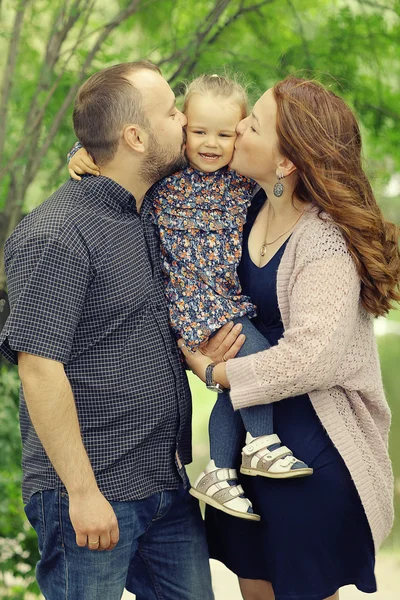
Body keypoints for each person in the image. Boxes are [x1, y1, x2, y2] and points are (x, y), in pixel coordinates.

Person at [0, 60, 244, 600]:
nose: (185, 121)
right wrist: (82, 494)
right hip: (93, 497)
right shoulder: (57, 233)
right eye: (173, 111)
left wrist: (205, 356)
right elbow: (39, 371)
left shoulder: (148, 214)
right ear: (135, 135)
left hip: (166, 486)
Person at [180, 76, 399, 600]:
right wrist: (86, 155)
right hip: (243, 452)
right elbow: (174, 140)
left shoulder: (322, 239)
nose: (235, 131)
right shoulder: (244, 205)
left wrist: (214, 372)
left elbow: (311, 358)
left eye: (251, 124)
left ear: (285, 163)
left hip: (309, 449)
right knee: (254, 590)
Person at [68, 73, 312, 524]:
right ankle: (258, 444)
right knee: (252, 363)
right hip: (190, 301)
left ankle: (220, 471)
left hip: (228, 299)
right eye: (199, 131)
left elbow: (283, 170)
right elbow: (119, 154)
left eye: (224, 133)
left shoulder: (242, 179)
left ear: (239, 133)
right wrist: (80, 154)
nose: (211, 144)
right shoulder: (171, 171)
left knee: (230, 385)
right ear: (183, 132)